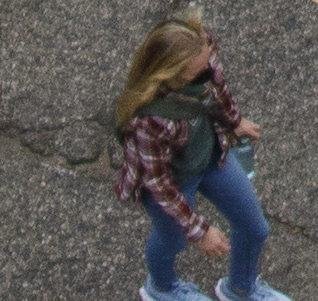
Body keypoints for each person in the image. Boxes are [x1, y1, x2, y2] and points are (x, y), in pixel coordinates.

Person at [109, 16, 268, 301]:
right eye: (198, 73)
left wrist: (234, 121)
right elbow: (159, 184)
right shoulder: (149, 120)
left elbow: (217, 85)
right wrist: (201, 231)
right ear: (172, 75)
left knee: (255, 228)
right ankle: (161, 287)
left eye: (208, 59)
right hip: (174, 181)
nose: (209, 70)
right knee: (173, 240)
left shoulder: (201, 47)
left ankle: (241, 290)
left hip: (210, 158)